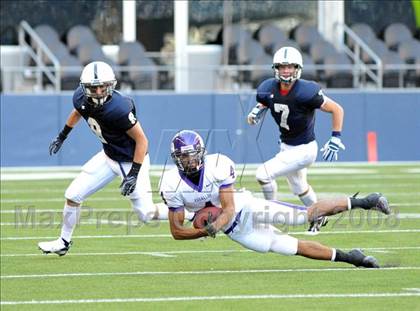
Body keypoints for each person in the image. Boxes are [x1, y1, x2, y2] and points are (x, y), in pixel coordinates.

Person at [160, 130, 391, 268]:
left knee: (305, 216)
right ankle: (353, 258)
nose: (188, 162)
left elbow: (228, 209)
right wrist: (202, 231)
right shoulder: (171, 183)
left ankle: (367, 201)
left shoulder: (218, 164)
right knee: (291, 247)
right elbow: (177, 231)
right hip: (238, 232)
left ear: (201, 153)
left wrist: (212, 227)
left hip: (246, 208)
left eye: (191, 156)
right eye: (182, 157)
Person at [38, 61, 168, 256]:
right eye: (93, 87)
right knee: (73, 195)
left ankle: (190, 212)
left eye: (102, 86)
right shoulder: (81, 98)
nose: (98, 91)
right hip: (108, 156)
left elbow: (142, 141)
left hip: (130, 160)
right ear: (84, 88)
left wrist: (133, 173)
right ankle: (63, 241)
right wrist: (62, 136)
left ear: (111, 85)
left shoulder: (119, 108)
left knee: (146, 214)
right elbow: (78, 112)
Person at [247, 46, 345, 234]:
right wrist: (258, 110)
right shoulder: (267, 88)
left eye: (290, 67)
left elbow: (337, 109)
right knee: (300, 187)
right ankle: (319, 215)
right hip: (286, 146)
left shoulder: (306, 91)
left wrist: (335, 137)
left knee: (262, 174)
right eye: (282, 67)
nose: (286, 71)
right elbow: (268, 101)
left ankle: (269, 217)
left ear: (297, 68)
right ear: (276, 68)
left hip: (304, 149)